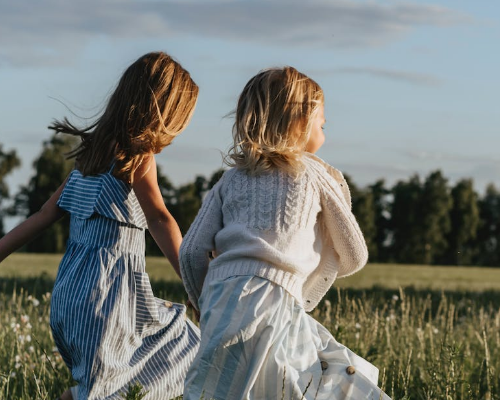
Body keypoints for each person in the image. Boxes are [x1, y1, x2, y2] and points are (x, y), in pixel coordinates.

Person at [179, 67, 391, 399]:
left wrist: (203, 301)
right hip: (277, 301)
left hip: (222, 299)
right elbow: (355, 253)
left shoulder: (230, 180)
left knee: (221, 390)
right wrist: (318, 263)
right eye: (322, 121)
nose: (325, 127)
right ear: (300, 123)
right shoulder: (315, 173)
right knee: (292, 387)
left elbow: (191, 251)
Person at [0, 52, 200, 400]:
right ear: (163, 115)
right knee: (186, 346)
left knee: (99, 389)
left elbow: (44, 214)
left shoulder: (90, 156)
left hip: (69, 300)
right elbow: (158, 218)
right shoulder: (138, 159)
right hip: (108, 302)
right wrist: (195, 283)